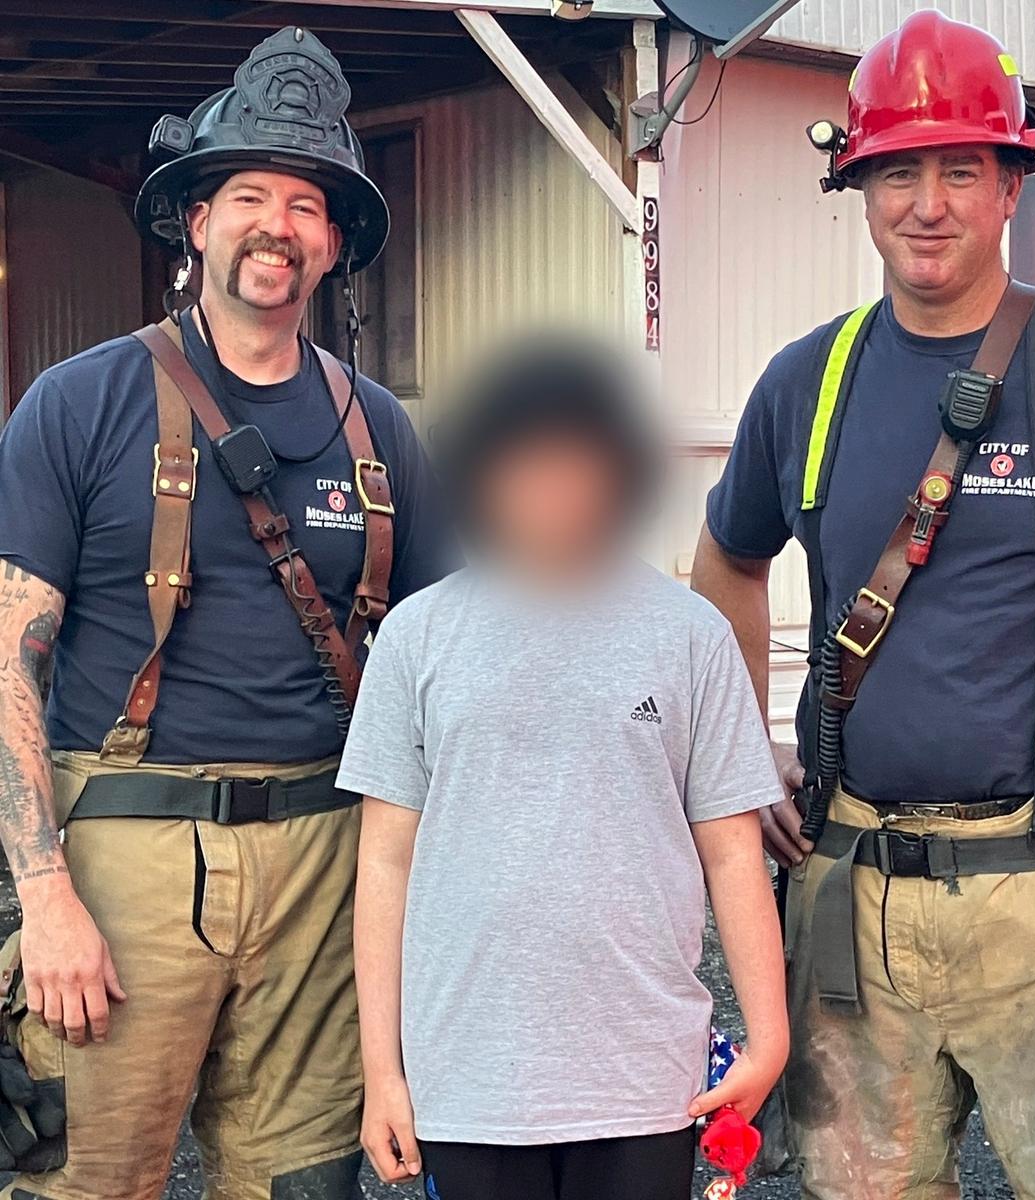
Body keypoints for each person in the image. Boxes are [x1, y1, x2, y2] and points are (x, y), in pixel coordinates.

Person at [691, 11, 1035, 1200]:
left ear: (1014, 184)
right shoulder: (806, 382)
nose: (928, 203)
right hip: (848, 890)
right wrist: (741, 749)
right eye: (898, 170)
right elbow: (726, 562)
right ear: (858, 185)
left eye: (961, 169)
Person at [0, 27, 451, 1200]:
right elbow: (7, 653)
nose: (277, 224)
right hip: (127, 860)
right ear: (194, 221)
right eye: (247, 192)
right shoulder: (79, 404)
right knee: (85, 1182)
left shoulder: (384, 432)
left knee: (304, 1186)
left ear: (335, 242)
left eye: (307, 203)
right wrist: (44, 900)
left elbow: (449, 665)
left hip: (325, 859)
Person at [338, 339, 790, 1200]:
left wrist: (767, 1037)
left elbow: (733, 852)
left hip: (644, 1079)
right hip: (468, 1077)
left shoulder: (690, 635)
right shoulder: (417, 636)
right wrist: (382, 1072)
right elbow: (385, 861)